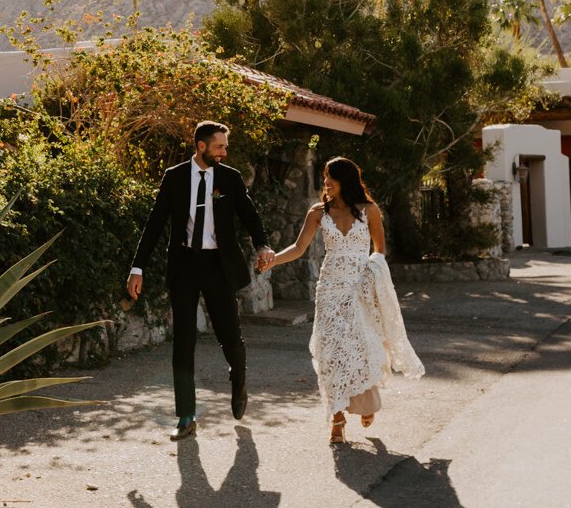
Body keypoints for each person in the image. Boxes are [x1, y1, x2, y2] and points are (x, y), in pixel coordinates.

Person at [127, 121, 275, 440]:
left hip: (218, 266)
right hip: (184, 265)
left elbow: (251, 217)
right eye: (220, 146)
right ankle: (186, 416)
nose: (224, 152)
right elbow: (154, 225)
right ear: (202, 146)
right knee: (183, 341)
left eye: (225, 146)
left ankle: (238, 378)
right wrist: (137, 267)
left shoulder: (230, 178)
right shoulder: (175, 177)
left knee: (229, 337)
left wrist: (263, 244)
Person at [264, 157, 425, 444]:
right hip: (329, 290)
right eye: (325, 177)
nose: (326, 182)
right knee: (329, 349)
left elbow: (380, 250)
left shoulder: (370, 211)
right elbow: (299, 248)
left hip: (359, 288)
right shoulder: (317, 212)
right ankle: (337, 419)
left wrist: (371, 276)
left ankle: (365, 404)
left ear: (346, 181)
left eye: (331, 178)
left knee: (360, 347)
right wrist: (274, 260)